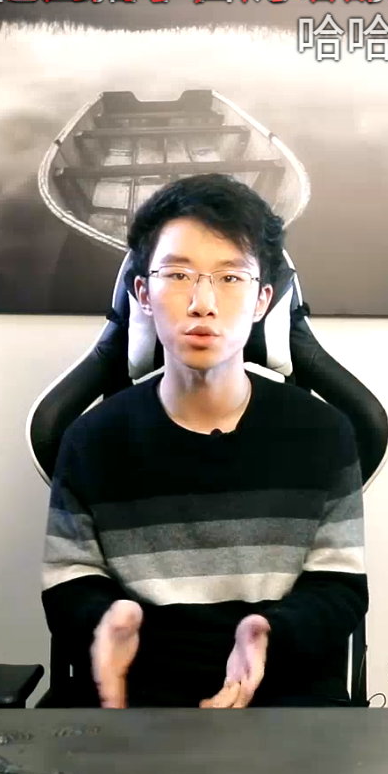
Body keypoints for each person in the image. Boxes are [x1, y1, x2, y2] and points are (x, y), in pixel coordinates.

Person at [41, 174, 367, 709]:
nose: (203, 303)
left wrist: (267, 633)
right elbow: (69, 577)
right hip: (136, 698)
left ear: (262, 301)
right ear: (143, 295)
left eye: (230, 278)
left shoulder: (324, 434)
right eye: (178, 275)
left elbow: (339, 583)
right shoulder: (92, 440)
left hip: (285, 694)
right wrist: (107, 617)